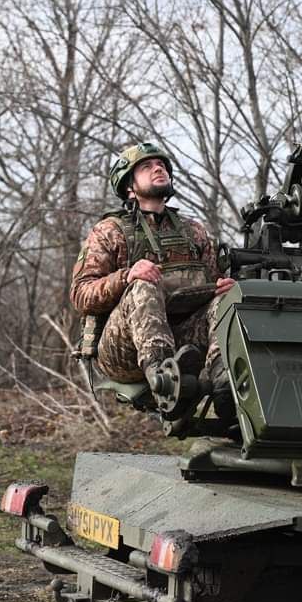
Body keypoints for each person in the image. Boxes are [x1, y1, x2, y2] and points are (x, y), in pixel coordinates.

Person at [70, 142, 236, 417]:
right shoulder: (110, 231)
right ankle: (164, 379)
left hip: (183, 340)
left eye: (161, 165)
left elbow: (212, 285)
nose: (157, 168)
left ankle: (223, 382)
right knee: (143, 284)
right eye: (146, 167)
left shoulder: (194, 232)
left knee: (227, 298)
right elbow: (81, 295)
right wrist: (127, 276)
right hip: (123, 349)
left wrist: (222, 287)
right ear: (129, 187)